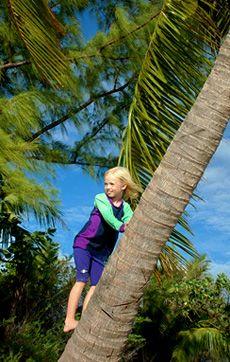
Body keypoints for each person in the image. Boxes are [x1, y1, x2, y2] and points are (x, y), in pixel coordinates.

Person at [63, 166, 142, 333]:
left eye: (112, 184)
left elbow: (130, 221)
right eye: (106, 184)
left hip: (102, 251)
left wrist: (131, 225)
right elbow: (108, 216)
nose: (108, 188)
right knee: (82, 279)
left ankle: (84, 319)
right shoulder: (100, 199)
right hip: (85, 244)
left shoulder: (126, 207)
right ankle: (69, 320)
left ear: (124, 186)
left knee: (96, 285)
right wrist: (122, 227)